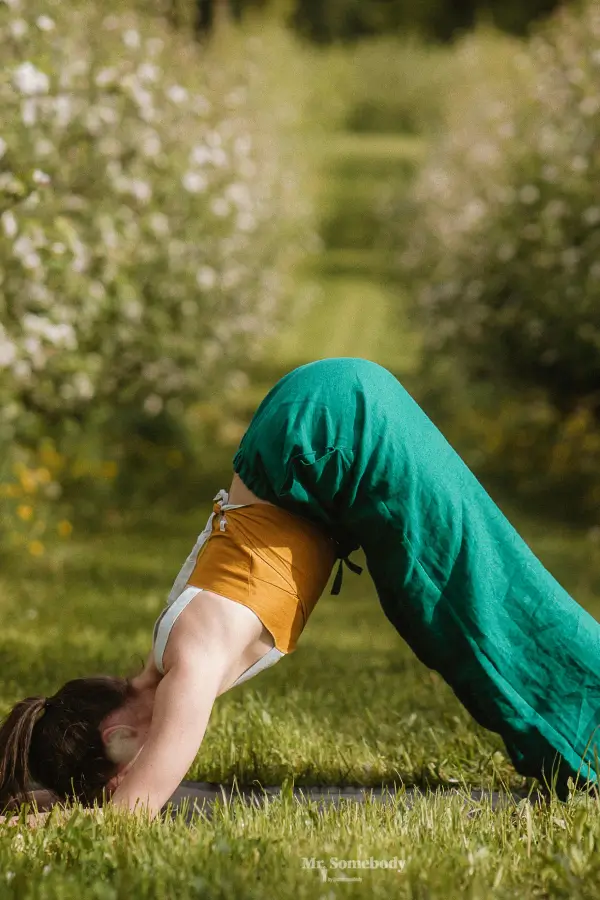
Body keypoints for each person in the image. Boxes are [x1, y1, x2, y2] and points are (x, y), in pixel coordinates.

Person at [1, 357, 600, 819]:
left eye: (117, 772)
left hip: (331, 430)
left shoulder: (190, 661)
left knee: (467, 600)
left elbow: (138, 807)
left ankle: (587, 741)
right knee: (438, 604)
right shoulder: (175, 649)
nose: (134, 773)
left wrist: (90, 813)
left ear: (118, 736)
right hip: (319, 421)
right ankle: (576, 741)